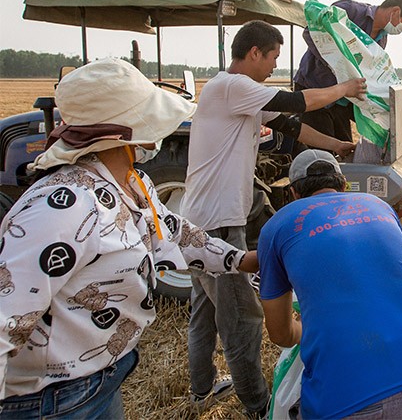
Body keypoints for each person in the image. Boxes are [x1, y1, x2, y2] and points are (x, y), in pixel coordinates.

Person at [0, 58, 259, 419]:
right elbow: (5, 319)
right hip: (52, 400)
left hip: (102, 377)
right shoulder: (62, 207)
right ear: (125, 131)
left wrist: (243, 260)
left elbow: (176, 233)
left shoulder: (133, 184)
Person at [181, 20, 367, 419]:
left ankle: (201, 390)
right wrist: (344, 89)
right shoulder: (233, 86)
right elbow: (299, 103)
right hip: (216, 221)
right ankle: (258, 406)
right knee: (242, 319)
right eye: (273, 58)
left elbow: (292, 126)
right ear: (254, 53)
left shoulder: (237, 94)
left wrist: (337, 147)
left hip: (199, 217)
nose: (274, 66)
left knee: (205, 312)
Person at [257, 149, 402, 419]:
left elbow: (281, 333)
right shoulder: (380, 207)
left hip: (355, 401)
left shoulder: (277, 226)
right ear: (343, 185)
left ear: (294, 194)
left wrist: (307, 328)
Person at [294, 0, 402, 142]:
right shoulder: (350, 11)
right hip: (316, 87)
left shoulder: (381, 41)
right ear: (395, 11)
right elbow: (310, 32)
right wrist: (337, 66)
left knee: (344, 146)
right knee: (322, 151)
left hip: (343, 98)